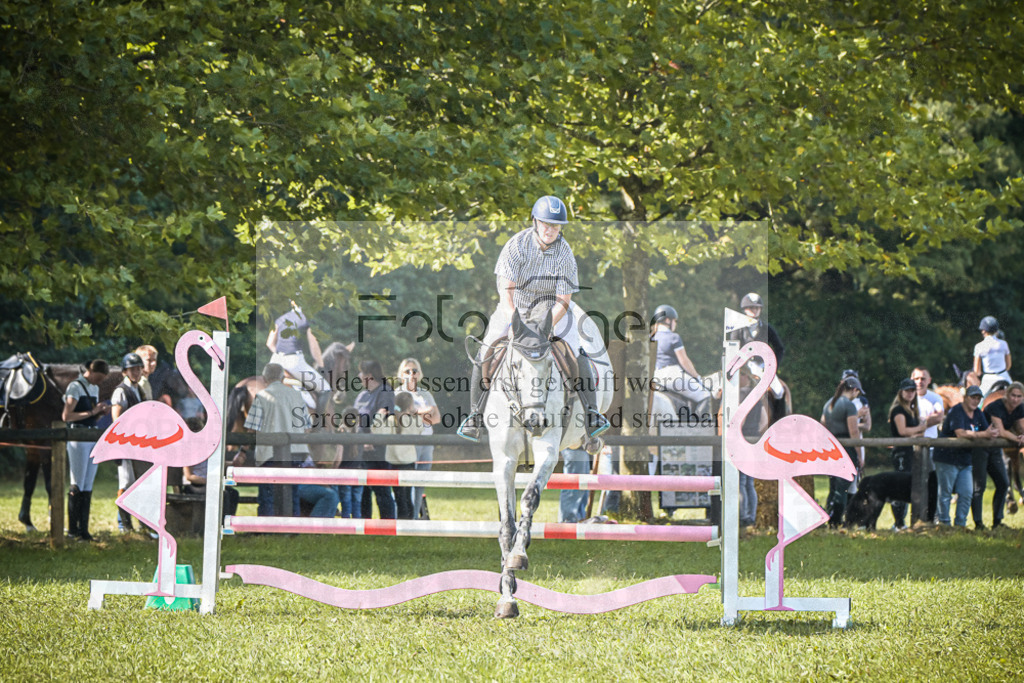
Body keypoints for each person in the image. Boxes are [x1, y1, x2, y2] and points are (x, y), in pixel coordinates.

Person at [458, 195, 609, 441]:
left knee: (576, 351)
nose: (551, 230)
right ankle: (475, 415)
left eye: (556, 225)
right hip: (515, 307)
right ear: (535, 222)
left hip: (552, 310)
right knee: (485, 351)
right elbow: (506, 291)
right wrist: (514, 321)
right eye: (546, 224)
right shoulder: (516, 245)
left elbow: (563, 299)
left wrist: (548, 324)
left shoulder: (565, 252)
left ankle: (591, 414)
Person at [239, 363, 311, 517]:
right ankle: (293, 528)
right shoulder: (297, 396)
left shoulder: (262, 396)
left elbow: (252, 429)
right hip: (296, 452)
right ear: (283, 377)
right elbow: (307, 427)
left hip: (270, 454)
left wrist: (242, 451)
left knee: (268, 494)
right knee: (292, 492)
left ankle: (267, 529)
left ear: (265, 379)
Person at [932, 385, 998, 527]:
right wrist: (985, 434)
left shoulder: (978, 413)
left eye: (978, 398)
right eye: (972, 397)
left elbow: (987, 430)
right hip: (946, 458)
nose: (975, 401)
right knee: (945, 493)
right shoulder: (957, 411)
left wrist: (992, 433)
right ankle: (944, 524)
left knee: (967, 492)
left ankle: (960, 524)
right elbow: (960, 433)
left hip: (965, 458)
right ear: (965, 398)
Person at [62, 359, 110, 541]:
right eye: (99, 377)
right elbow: (67, 415)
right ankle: (73, 530)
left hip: (90, 436)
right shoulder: (75, 387)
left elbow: (91, 418)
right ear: (91, 371)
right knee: (78, 482)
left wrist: (99, 413)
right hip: (77, 437)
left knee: (88, 484)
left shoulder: (94, 389)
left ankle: (84, 529)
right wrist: (92, 412)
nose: (100, 382)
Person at [397, 358, 440, 519]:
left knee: (421, 481)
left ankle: (415, 517)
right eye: (407, 371)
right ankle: (404, 517)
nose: (411, 374)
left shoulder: (425, 393)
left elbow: (436, 418)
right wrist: (423, 412)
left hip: (427, 443)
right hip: (408, 444)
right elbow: (400, 419)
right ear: (401, 375)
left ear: (419, 373)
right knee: (407, 483)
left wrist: (414, 413)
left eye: (414, 370)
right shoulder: (398, 394)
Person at [267, 299, 329, 409]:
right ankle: (319, 425)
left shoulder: (280, 319)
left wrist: (280, 355)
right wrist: (321, 366)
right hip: (294, 363)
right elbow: (314, 348)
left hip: (275, 362)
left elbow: (270, 343)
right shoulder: (307, 319)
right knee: (326, 389)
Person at [976, 381, 1023, 529]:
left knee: (1003, 483)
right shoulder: (995, 406)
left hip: (995, 447)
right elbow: (1001, 431)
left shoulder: (1020, 408)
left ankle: (997, 522)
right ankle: (978, 523)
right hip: (981, 446)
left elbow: (1021, 427)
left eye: (1019, 396)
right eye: (1013, 395)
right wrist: (1017, 439)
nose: (1015, 399)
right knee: (979, 486)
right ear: (1007, 395)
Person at [354, 359, 396, 519]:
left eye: (361, 372)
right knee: (363, 492)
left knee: (382, 490)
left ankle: (387, 526)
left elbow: (383, 417)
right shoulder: (362, 395)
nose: (358, 375)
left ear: (369, 376)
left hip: (378, 450)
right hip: (359, 450)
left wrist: (370, 440)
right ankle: (365, 526)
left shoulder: (385, 391)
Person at [820, 375, 864, 528]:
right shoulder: (849, 405)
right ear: (854, 390)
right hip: (846, 448)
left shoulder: (828, 404)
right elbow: (853, 431)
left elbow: (822, 426)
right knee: (843, 487)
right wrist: (859, 455)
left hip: (831, 448)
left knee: (833, 486)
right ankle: (837, 520)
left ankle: (829, 515)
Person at [650, 304, 710, 409]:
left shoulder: (650, 337)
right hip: (673, 376)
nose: (675, 324)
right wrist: (697, 377)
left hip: (656, 376)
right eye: (675, 321)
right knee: (705, 395)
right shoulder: (673, 337)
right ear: (668, 320)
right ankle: (700, 425)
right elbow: (684, 361)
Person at [110, 353, 145, 532]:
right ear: (125, 371)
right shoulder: (121, 390)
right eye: (133, 369)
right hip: (125, 444)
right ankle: (123, 524)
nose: (136, 372)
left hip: (139, 445)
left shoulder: (139, 389)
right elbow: (116, 418)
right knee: (125, 483)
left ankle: (139, 523)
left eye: (138, 368)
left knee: (137, 483)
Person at [730, 292, 785, 404]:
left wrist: (773, 368)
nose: (754, 311)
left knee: (779, 392)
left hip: (763, 367)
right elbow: (732, 351)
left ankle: (780, 420)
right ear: (745, 309)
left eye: (757, 308)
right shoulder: (738, 329)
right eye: (751, 308)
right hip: (743, 367)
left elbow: (780, 349)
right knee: (719, 390)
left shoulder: (767, 328)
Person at [374, 391, 421, 519]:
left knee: (399, 497)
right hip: (409, 463)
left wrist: (378, 417)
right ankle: (409, 523)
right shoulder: (413, 421)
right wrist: (416, 413)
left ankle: (402, 523)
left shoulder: (391, 420)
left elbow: (378, 432)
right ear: (410, 406)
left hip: (393, 463)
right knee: (407, 496)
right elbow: (420, 430)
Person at [888, 378, 926, 530]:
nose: (910, 393)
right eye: (907, 390)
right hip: (901, 452)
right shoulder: (898, 410)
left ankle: (902, 521)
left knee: (909, 485)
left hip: (910, 452)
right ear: (901, 392)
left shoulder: (912, 409)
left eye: (912, 390)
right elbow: (902, 431)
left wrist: (917, 432)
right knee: (900, 486)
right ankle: (898, 522)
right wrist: (920, 428)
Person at [912, 366, 945, 522]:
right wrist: (926, 421)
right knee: (909, 482)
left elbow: (939, 417)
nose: (920, 382)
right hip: (910, 448)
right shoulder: (906, 396)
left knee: (932, 483)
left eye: (923, 378)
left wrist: (920, 423)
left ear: (929, 380)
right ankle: (902, 522)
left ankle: (934, 517)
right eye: (917, 378)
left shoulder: (935, 397)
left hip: (930, 448)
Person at [738, 366, 768, 527]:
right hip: (754, 439)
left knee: (741, 482)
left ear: (745, 376)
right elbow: (764, 420)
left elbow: (740, 421)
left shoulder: (741, 395)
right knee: (749, 481)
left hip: (743, 439)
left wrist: (736, 434)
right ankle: (751, 517)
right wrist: (756, 432)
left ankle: (744, 516)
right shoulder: (757, 395)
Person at [974, 316, 1012, 397]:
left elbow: (977, 371)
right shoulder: (1004, 344)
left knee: (978, 403)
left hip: (988, 379)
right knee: (1019, 397)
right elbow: (1008, 365)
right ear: (996, 331)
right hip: (1004, 376)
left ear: (983, 331)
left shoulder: (979, 346)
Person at [558, 447, 590, 523]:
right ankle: (567, 521)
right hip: (573, 447)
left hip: (582, 448)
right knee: (573, 488)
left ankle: (578, 519)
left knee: (582, 487)